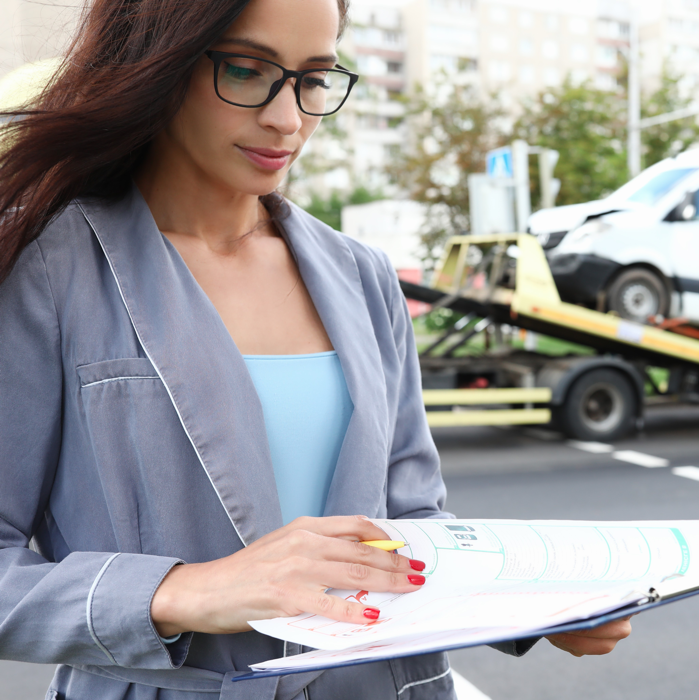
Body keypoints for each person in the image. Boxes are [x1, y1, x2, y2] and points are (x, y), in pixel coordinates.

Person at [0, 1, 629, 698]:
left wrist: (530, 603)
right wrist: (183, 591)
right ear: (159, 62)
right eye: (246, 70)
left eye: (314, 78)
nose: (287, 118)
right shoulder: (48, 271)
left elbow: (411, 525)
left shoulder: (363, 276)